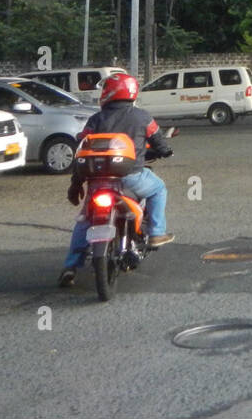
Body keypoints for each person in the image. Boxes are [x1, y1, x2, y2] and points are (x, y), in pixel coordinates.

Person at [57, 73, 175, 287]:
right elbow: (158, 140)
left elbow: (82, 148)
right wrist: (165, 151)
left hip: (97, 182)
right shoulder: (142, 117)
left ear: (109, 92)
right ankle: (157, 232)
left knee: (85, 220)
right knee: (159, 188)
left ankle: (71, 266)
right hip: (131, 178)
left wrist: (75, 184)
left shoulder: (96, 119)